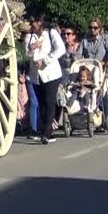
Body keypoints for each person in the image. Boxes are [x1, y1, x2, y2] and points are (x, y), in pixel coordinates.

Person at [25, 12, 65, 144]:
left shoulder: (50, 33)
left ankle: (46, 132)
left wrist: (45, 60)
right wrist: (32, 49)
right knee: (41, 103)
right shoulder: (29, 37)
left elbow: (61, 49)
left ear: (40, 22)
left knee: (50, 102)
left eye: (33, 22)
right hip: (36, 75)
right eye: (30, 23)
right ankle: (48, 130)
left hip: (51, 73)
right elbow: (26, 54)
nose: (32, 25)